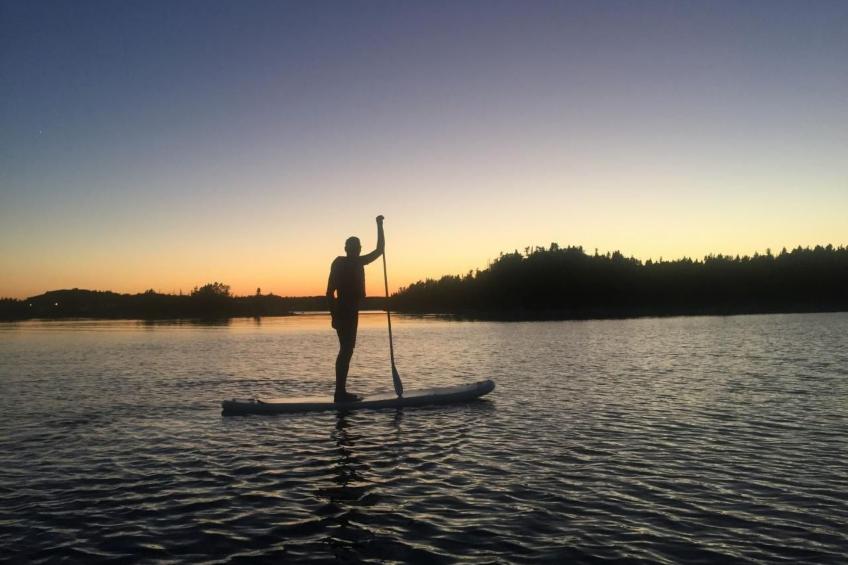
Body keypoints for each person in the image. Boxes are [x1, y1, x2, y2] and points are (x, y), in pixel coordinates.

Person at [326, 215, 385, 402]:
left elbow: (380, 250)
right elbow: (329, 292)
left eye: (359, 247)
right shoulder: (347, 262)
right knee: (346, 350)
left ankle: (340, 391)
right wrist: (335, 314)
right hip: (345, 311)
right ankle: (340, 393)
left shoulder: (350, 261)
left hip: (348, 310)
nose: (359, 250)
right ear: (348, 249)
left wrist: (379, 226)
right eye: (356, 247)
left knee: (347, 349)